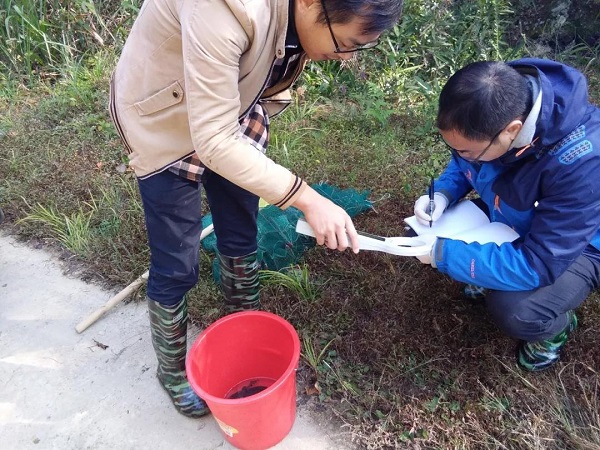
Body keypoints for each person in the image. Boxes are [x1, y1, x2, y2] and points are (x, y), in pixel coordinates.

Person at [110, 0, 403, 417]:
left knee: (239, 230)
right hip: (163, 118)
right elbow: (213, 142)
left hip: (227, 114)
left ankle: (243, 323)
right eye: (348, 43)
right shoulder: (223, 8)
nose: (347, 58)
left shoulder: (297, 18)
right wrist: (308, 198)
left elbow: (233, 115)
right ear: (308, 3)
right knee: (176, 264)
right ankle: (172, 372)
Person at [412, 58, 600, 372]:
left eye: (467, 150)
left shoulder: (583, 163)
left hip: (577, 246)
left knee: (514, 309)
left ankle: (555, 328)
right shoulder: (495, 107)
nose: (460, 155)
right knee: (418, 233)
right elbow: (464, 164)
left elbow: (539, 263)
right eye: (453, 147)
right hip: (513, 212)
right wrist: (443, 193)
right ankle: (485, 270)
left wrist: (445, 254)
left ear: (512, 131)